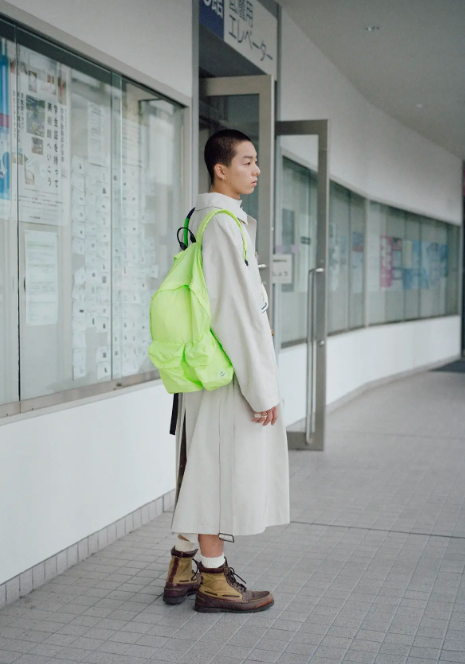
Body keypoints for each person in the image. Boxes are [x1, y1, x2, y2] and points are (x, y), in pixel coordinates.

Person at [163, 129, 290, 613]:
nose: (256, 170)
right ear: (221, 169)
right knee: (214, 472)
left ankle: (182, 565)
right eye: (247, 161)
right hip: (224, 374)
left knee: (199, 463)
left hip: (208, 368)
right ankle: (214, 579)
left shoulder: (205, 219)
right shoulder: (222, 225)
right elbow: (237, 314)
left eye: (255, 162)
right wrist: (263, 389)